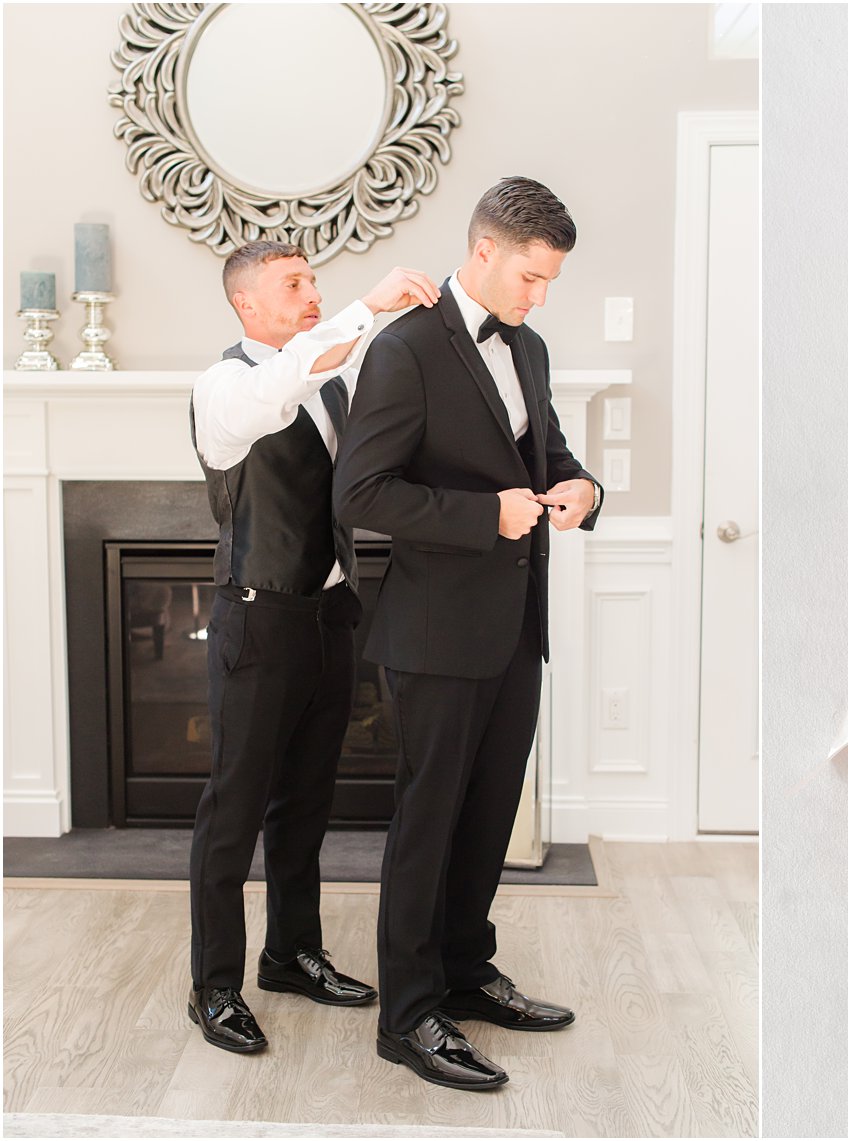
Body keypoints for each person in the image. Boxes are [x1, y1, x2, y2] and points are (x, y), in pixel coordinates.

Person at [334, 177, 601, 1091]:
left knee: (487, 820)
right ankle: (407, 1016)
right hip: (433, 633)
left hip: (515, 628)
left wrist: (585, 491)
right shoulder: (404, 350)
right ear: (483, 250)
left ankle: (463, 971)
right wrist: (484, 516)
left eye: (550, 281)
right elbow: (361, 496)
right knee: (429, 825)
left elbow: (551, 457)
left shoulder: (529, 347)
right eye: (530, 276)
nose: (537, 296)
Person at [187, 241, 440, 1053]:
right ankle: (214, 986)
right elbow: (279, 388)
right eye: (293, 285)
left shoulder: (334, 380)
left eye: (313, 281)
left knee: (305, 804)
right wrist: (364, 309)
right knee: (232, 813)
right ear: (247, 304)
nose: (311, 293)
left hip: (329, 618)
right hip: (255, 624)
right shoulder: (227, 386)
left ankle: (292, 953)